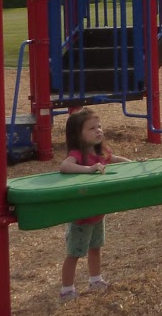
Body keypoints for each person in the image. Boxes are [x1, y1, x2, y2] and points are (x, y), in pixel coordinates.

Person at [57, 108, 133, 300]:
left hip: (98, 212)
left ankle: (95, 279)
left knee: (96, 247)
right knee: (74, 253)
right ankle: (67, 289)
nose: (99, 131)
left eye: (99, 127)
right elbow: (64, 166)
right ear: (78, 135)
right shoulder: (78, 155)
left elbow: (115, 160)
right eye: (92, 128)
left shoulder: (102, 152)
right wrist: (89, 169)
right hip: (81, 216)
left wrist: (133, 164)